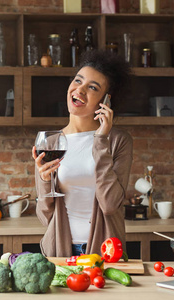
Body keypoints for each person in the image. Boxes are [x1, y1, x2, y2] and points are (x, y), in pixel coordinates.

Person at [32, 49, 133, 257]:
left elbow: (110, 205)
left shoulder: (118, 141)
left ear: (105, 101)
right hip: (61, 251)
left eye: (92, 87)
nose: (80, 90)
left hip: (106, 253)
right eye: (78, 81)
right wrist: (44, 180)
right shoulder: (51, 143)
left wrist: (101, 139)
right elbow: (44, 216)